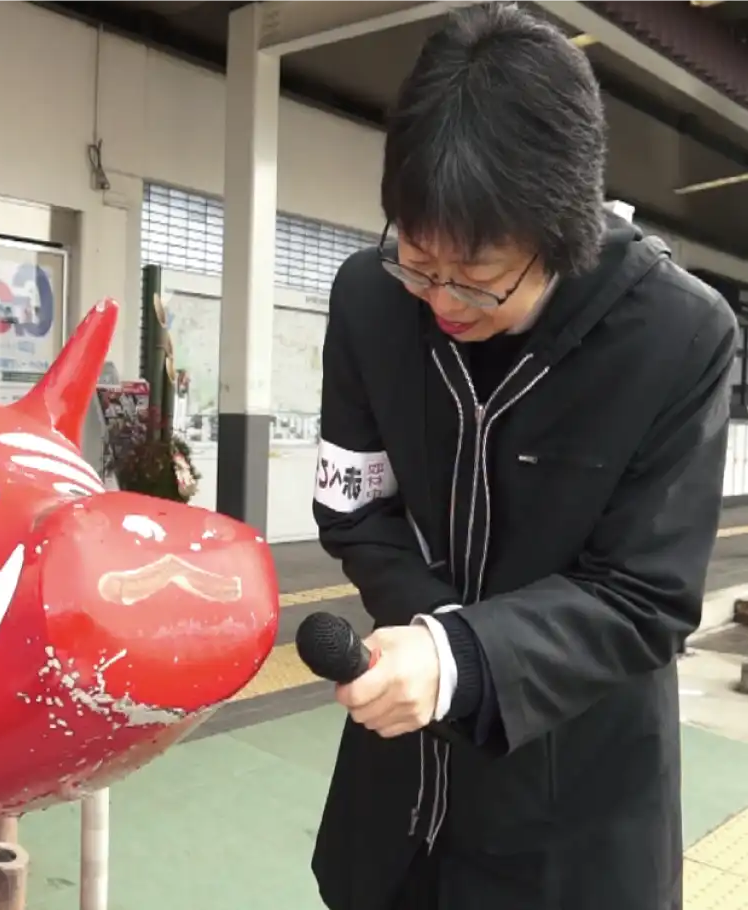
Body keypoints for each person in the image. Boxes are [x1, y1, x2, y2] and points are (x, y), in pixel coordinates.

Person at [310, 4, 736, 909]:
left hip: (580, 828)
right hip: (394, 812)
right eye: (418, 261)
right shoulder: (367, 301)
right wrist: (433, 647)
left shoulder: (677, 335)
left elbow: (646, 596)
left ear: (562, 230)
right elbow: (356, 507)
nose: (440, 300)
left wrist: (462, 658)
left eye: (476, 276)